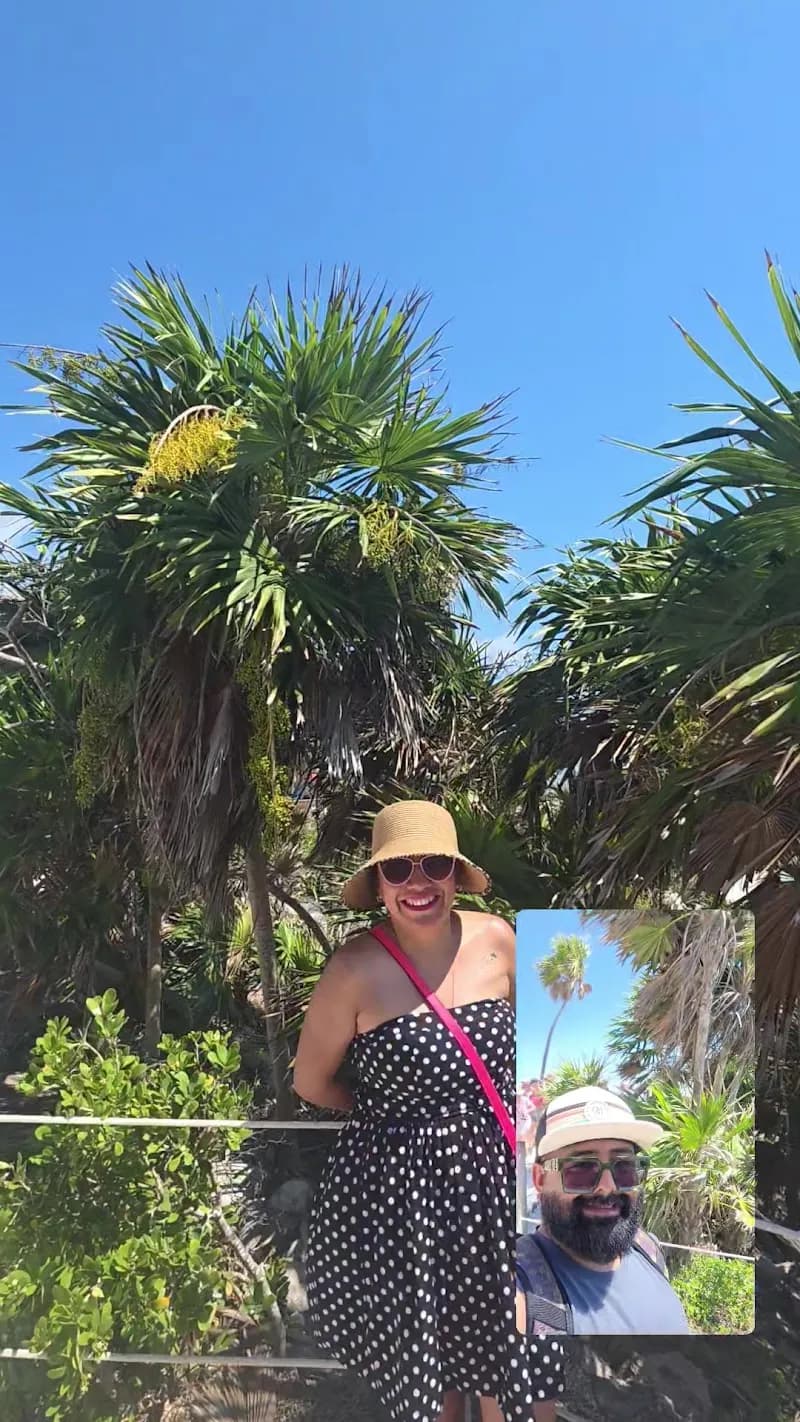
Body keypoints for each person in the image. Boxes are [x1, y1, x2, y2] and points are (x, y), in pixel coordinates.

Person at [293, 799, 565, 1422]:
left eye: (434, 864)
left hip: (501, 1186)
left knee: (525, 1377)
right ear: (378, 886)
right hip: (404, 1201)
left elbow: (543, 1048)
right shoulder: (353, 969)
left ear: (455, 874)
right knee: (434, 1380)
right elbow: (310, 1082)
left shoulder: (498, 939)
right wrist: (385, 1117)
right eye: (397, 869)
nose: (417, 882)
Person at [516, 1086, 691, 1336]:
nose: (608, 1187)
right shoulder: (523, 1290)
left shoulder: (649, 1250)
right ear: (540, 1179)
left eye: (624, 1167)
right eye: (581, 1168)